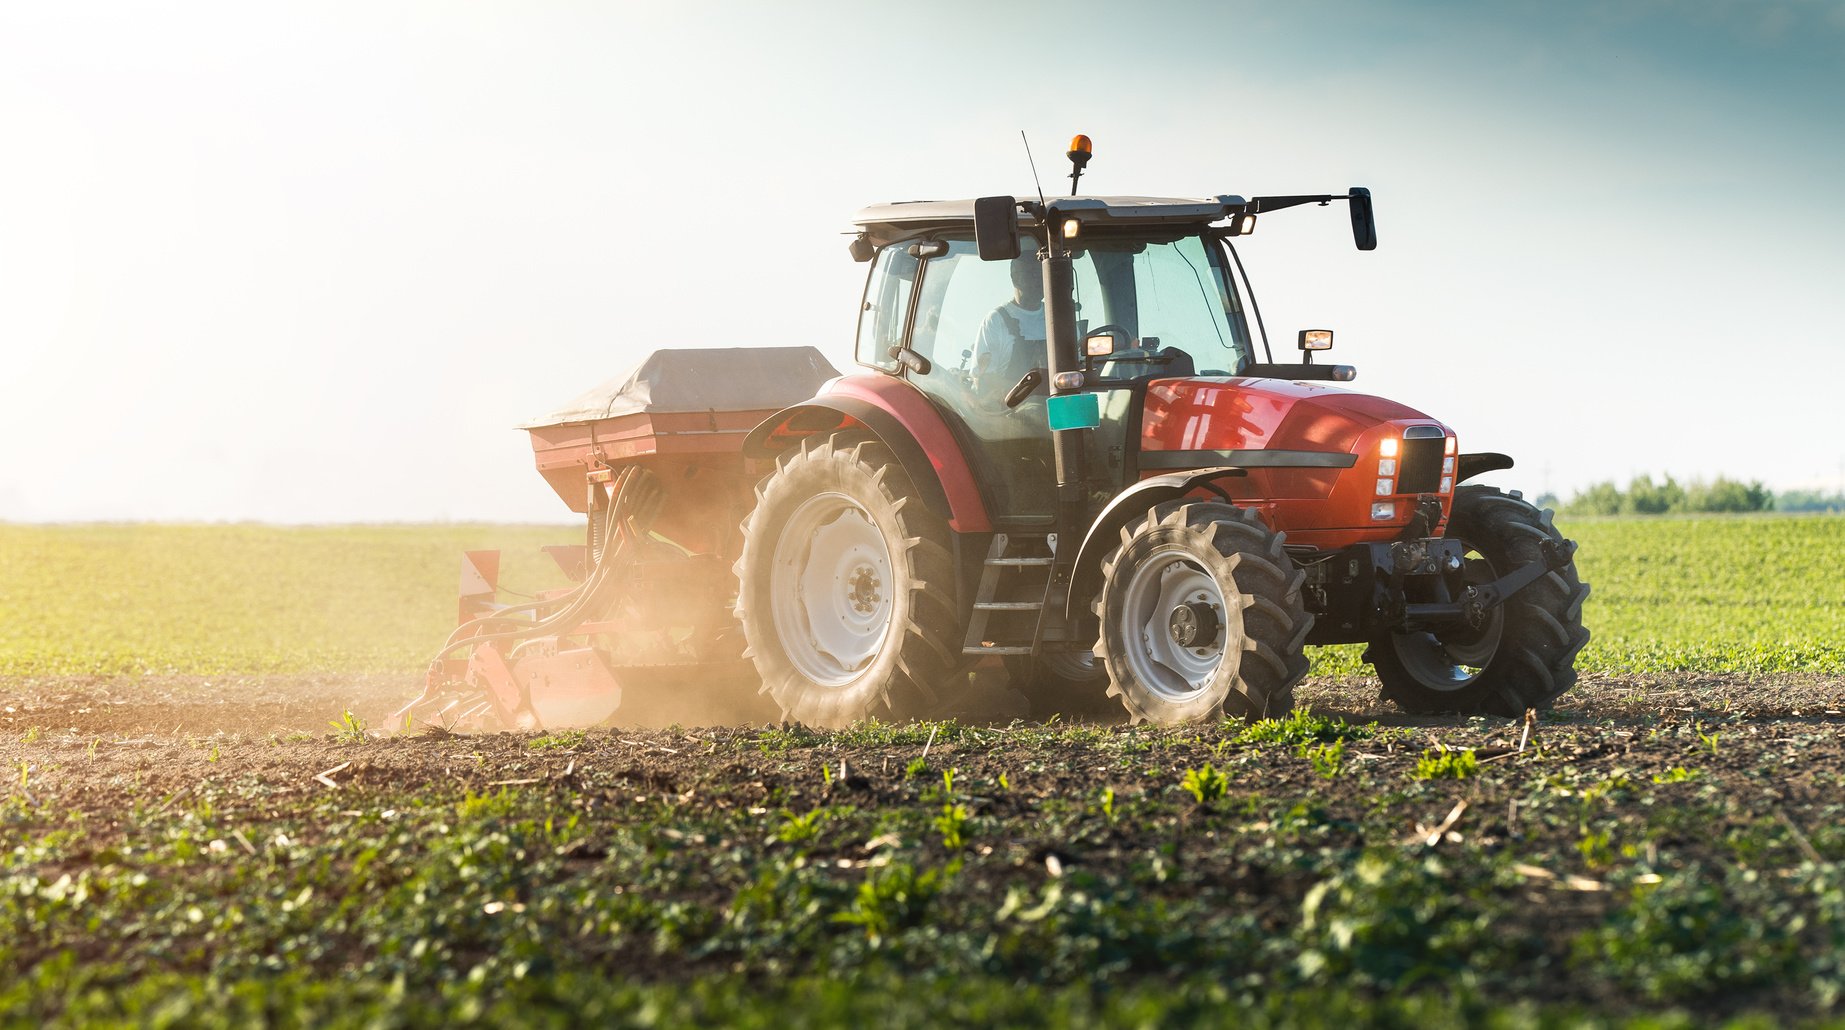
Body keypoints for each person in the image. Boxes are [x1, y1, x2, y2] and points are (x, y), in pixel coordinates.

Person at [971, 252, 1045, 397]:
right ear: (1014, 278)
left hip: (1061, 405)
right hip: (1013, 409)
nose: (1037, 281)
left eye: (1041, 275)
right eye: (1030, 275)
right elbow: (985, 380)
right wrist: (1030, 393)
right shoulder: (996, 320)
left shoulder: (1059, 319)